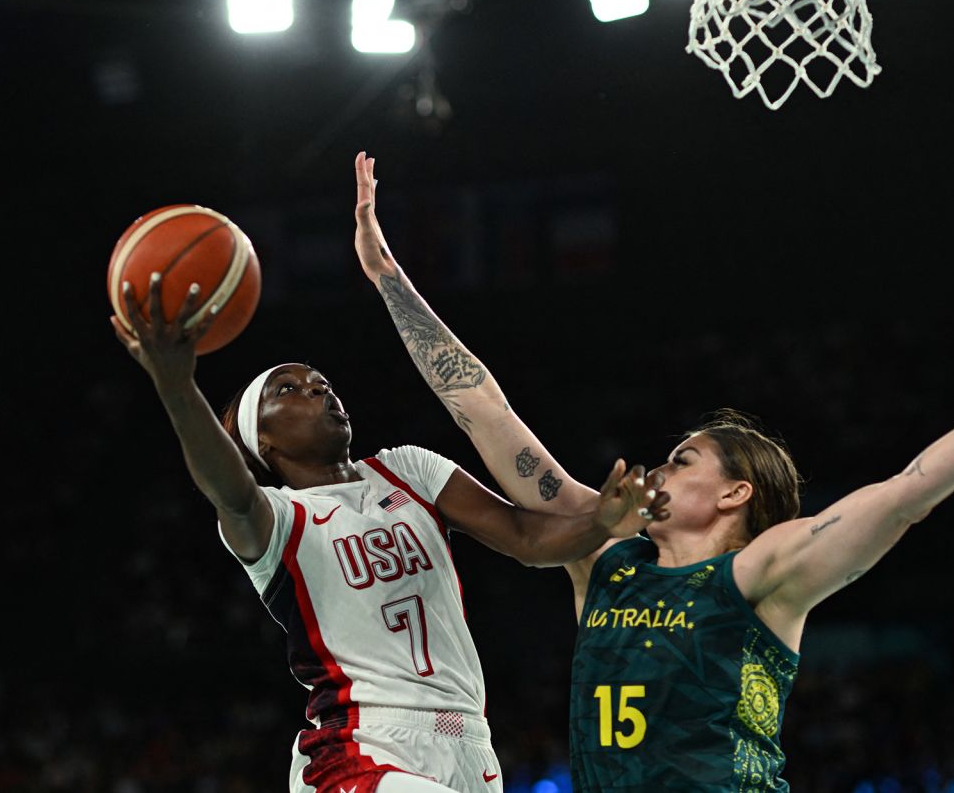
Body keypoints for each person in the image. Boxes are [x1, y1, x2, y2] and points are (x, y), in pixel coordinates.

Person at [350, 150, 954, 791]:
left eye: (683, 457)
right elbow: (485, 411)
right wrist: (390, 279)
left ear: (736, 492)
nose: (655, 467)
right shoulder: (600, 554)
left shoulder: (765, 573)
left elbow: (908, 494)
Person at [109, 270, 661, 793]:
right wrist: (178, 387)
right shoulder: (278, 520)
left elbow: (526, 537)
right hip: (360, 746)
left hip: (470, 742)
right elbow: (227, 488)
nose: (318, 388)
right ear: (265, 443)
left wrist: (599, 521)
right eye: (290, 389)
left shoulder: (410, 469)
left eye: (319, 380)